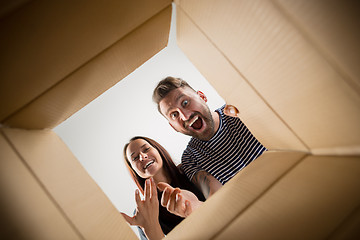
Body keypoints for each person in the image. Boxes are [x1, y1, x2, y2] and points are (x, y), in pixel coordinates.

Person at [152, 77, 267, 209]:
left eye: (185, 103)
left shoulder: (236, 110)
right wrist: (194, 207)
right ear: (173, 127)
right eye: (174, 115)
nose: (185, 116)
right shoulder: (190, 158)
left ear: (202, 96)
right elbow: (218, 200)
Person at [121, 136, 205, 240]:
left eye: (146, 149)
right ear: (133, 170)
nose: (142, 157)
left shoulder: (190, 169)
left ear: (158, 150)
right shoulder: (143, 211)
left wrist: (195, 206)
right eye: (135, 158)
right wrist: (151, 228)